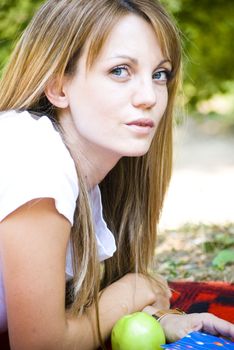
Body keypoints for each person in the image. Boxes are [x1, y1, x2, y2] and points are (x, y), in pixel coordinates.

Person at [0, 0, 233, 349]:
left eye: (160, 74)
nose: (149, 97)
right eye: (120, 71)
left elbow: (78, 309)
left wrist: (159, 320)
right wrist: (131, 290)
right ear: (59, 86)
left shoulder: (87, 180)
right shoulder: (31, 153)